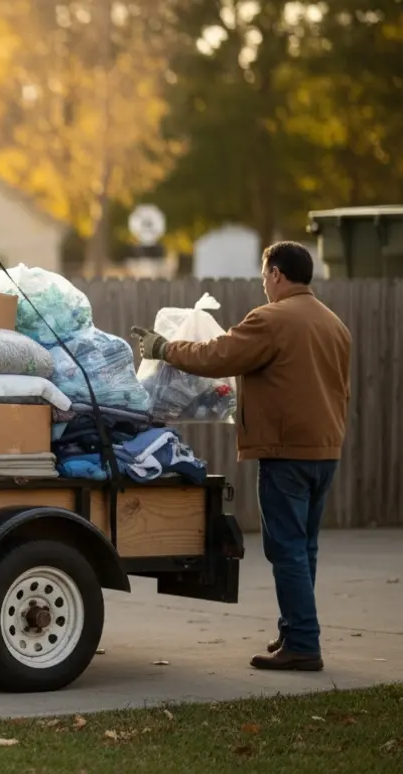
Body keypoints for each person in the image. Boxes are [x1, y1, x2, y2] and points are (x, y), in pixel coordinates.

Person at [130, 241, 351, 672]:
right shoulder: (333, 323)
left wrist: (163, 349)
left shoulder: (271, 319)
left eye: (265, 275)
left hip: (285, 452)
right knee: (304, 548)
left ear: (276, 275)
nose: (263, 284)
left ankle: (303, 644)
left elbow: (219, 354)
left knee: (285, 548)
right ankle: (294, 629)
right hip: (325, 450)